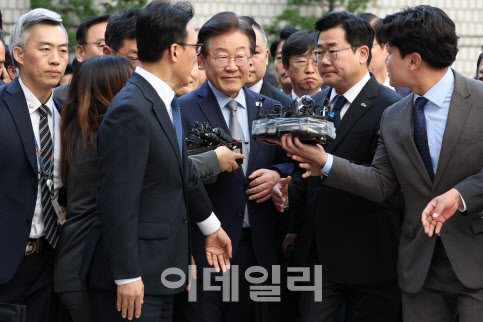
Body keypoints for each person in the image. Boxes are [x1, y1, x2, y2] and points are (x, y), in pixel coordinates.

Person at [277, 6, 483, 322]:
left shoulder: (479, 101)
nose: (384, 59)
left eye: (390, 52)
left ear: (413, 60)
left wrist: (461, 194)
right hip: (418, 267)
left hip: (474, 261)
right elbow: (381, 183)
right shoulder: (395, 115)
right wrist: (325, 163)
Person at [86, 2, 232, 321]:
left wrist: (211, 226)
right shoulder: (132, 109)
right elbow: (117, 201)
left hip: (161, 272)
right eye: (196, 47)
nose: (199, 55)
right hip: (137, 280)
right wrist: (127, 276)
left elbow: (183, 173)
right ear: (175, 51)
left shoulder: (162, 101)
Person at [274, 11, 403, 322]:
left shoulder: (392, 106)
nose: (323, 60)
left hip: (371, 258)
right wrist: (288, 192)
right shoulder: (313, 105)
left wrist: (326, 163)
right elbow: (307, 172)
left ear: (362, 53)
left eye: (332, 51)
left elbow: (386, 183)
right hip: (318, 256)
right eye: (320, 52)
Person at [179, 11, 293, 322]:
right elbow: (172, 177)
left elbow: (293, 163)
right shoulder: (181, 109)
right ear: (201, 59)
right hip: (205, 252)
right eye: (222, 56)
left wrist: (280, 175)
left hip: (260, 249)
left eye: (242, 56)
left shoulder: (272, 109)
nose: (233, 66)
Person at [0, 8, 68, 322]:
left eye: (63, 50)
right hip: (7, 261)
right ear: (19, 54)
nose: (57, 59)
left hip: (55, 260)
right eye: (45, 49)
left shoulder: (68, 113)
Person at [55, 55, 133, 322]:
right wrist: (213, 161)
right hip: (87, 267)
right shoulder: (107, 136)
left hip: (74, 263)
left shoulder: (76, 130)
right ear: (114, 88)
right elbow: (159, 168)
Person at [240, 16, 294, 107]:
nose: (249, 62)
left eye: (255, 52)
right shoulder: (211, 101)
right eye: (241, 54)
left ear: (266, 56)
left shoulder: (286, 105)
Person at [54, 15, 109, 100]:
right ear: (80, 52)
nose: (110, 51)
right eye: (102, 45)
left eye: (116, 45)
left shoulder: (132, 96)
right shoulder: (55, 99)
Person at [281, 30, 324, 101]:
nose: (310, 70)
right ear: (286, 67)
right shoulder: (277, 107)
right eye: (302, 61)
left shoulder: (335, 106)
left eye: (316, 61)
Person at [270, 26, 298, 95]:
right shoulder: (267, 103)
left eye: (294, 57)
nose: (286, 64)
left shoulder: (324, 100)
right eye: (280, 58)